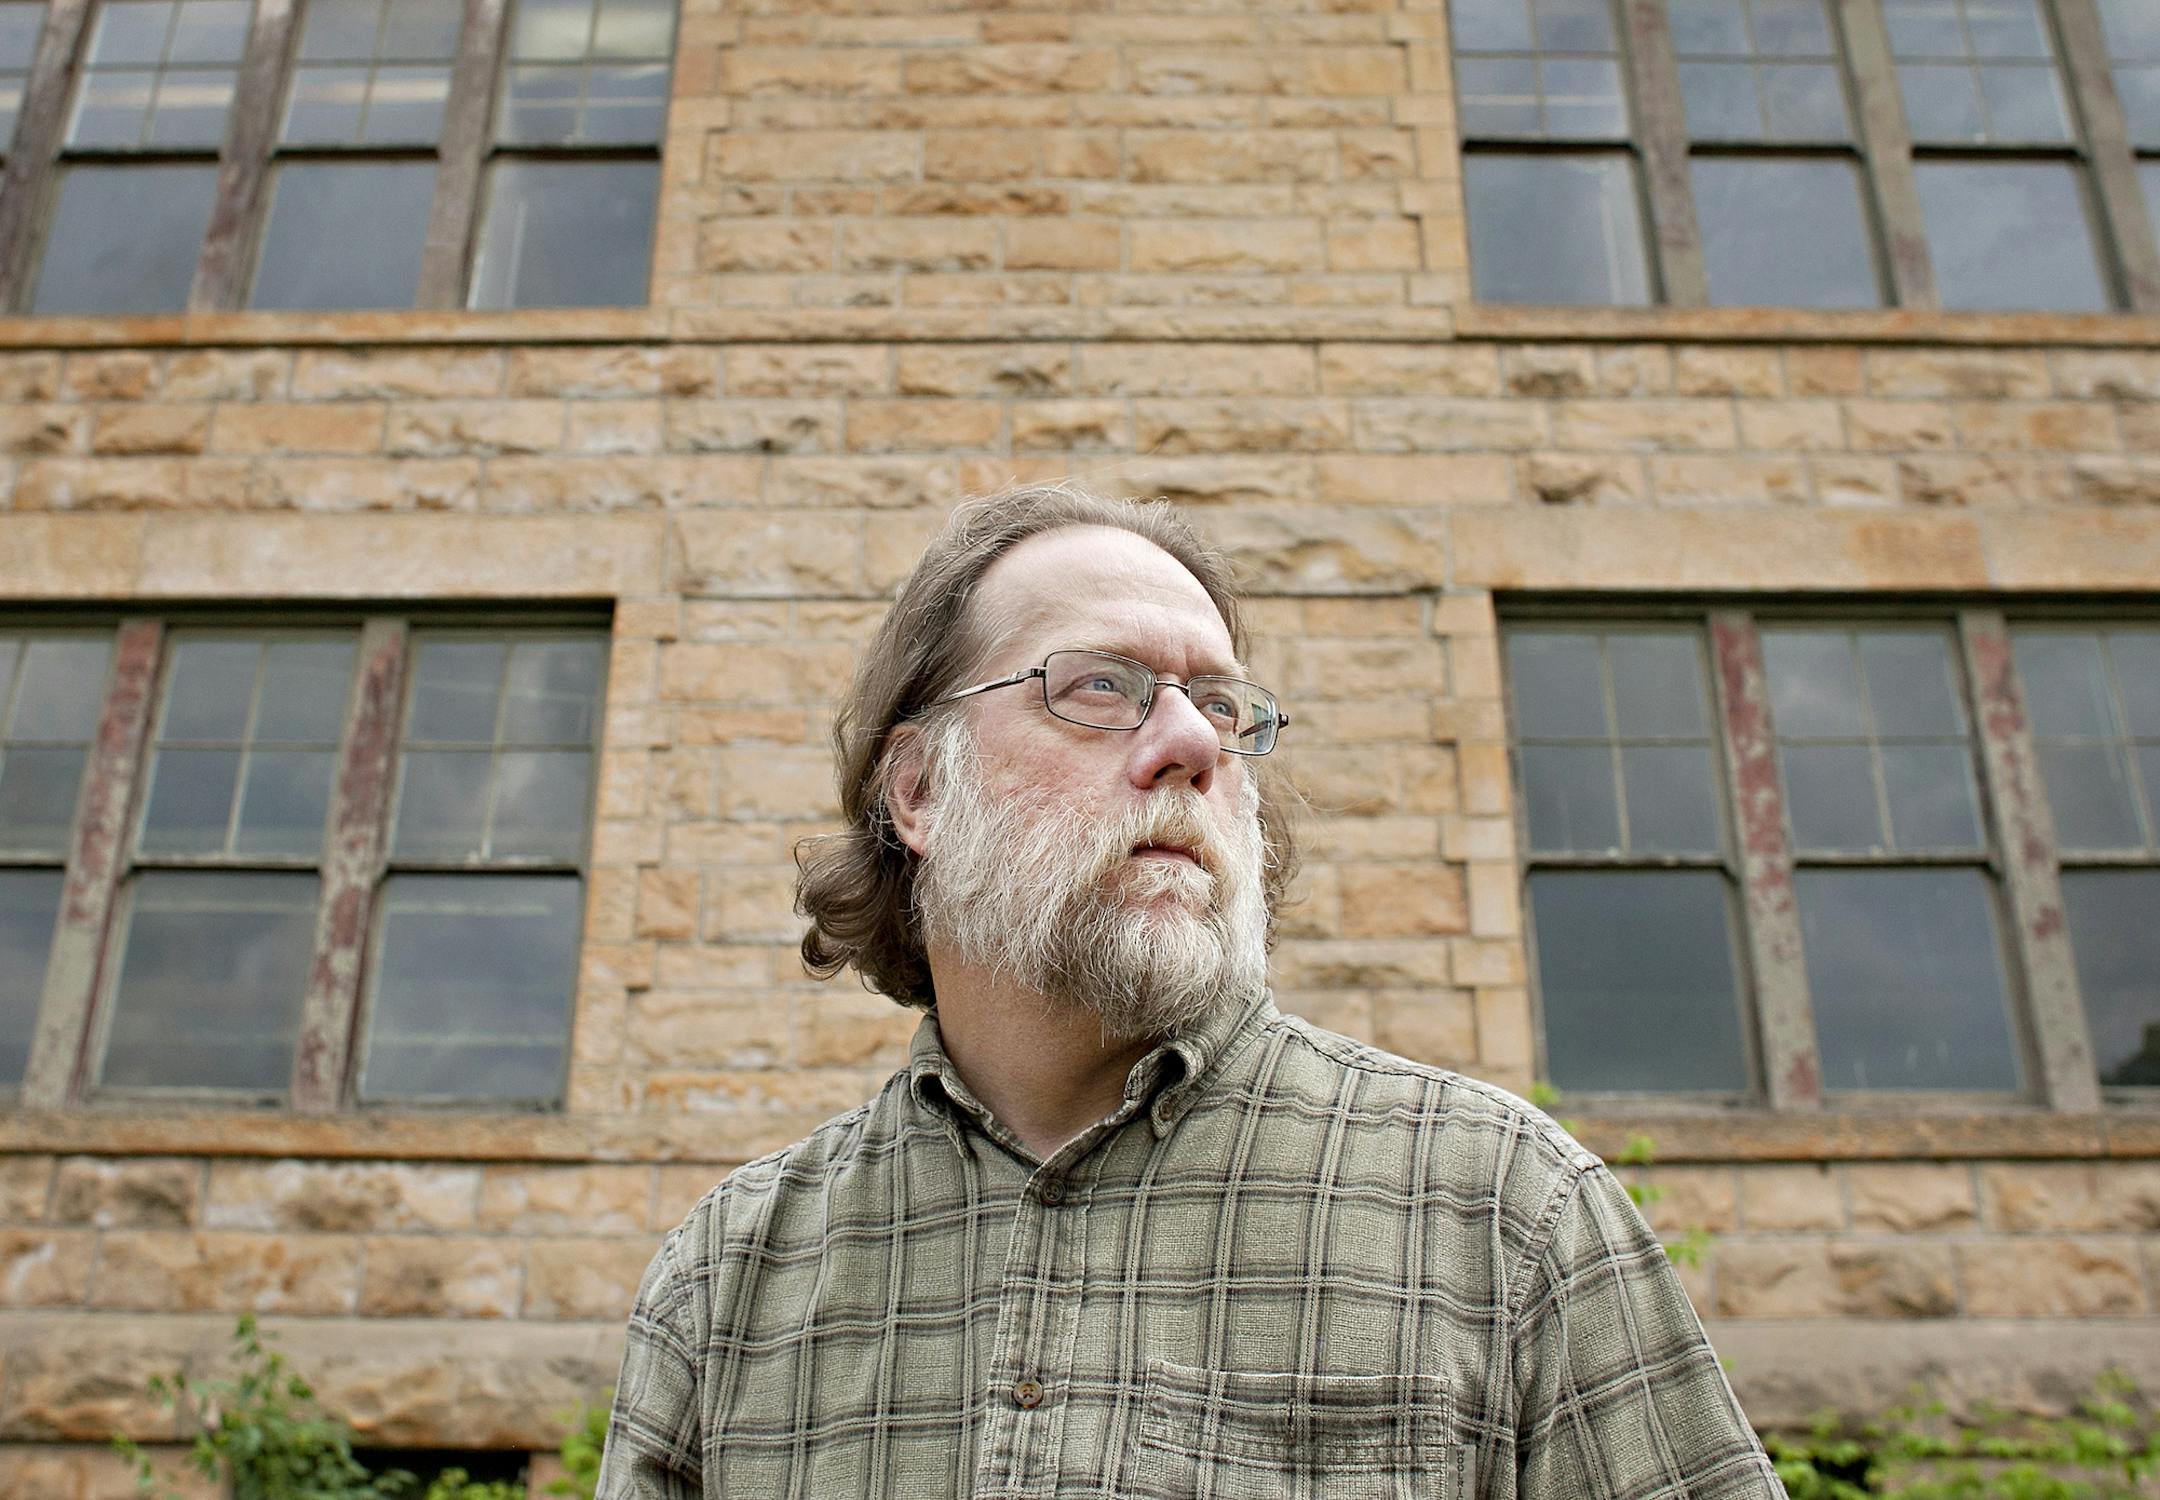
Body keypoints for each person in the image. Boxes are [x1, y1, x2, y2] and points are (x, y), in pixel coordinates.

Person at [598, 483, 1786, 1498]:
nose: (1193, 744)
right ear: (917, 790)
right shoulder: (731, 1275)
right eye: (1101, 687)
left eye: (1221, 704)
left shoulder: (1505, 1211)